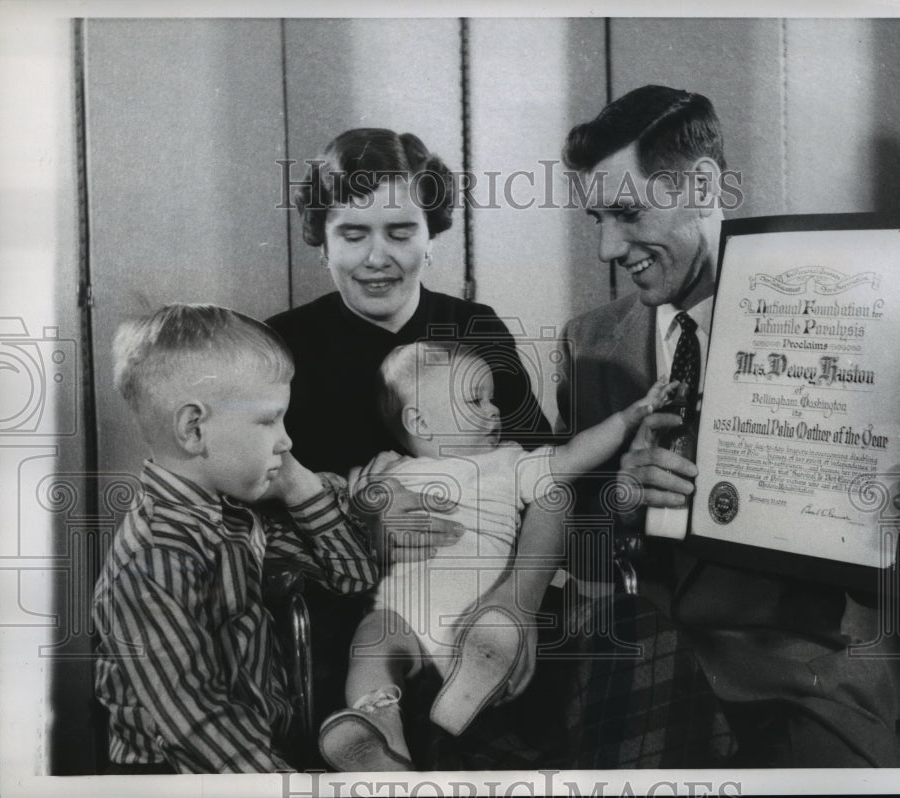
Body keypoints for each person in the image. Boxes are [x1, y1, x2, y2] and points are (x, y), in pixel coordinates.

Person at [537, 84, 900, 766]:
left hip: (802, 688)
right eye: (596, 219)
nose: (607, 247)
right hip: (635, 677)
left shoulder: (849, 321)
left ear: (702, 183)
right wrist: (620, 496)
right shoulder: (588, 345)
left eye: (626, 212)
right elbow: (564, 554)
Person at [267, 128, 562, 767]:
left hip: (491, 587)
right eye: (353, 234)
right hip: (351, 615)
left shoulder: (475, 328)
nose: (379, 257)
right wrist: (356, 525)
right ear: (321, 240)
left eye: (401, 232)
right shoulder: (281, 346)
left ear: (432, 234)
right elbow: (256, 513)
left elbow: (550, 476)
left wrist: (518, 605)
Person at [316, 340, 675, 771]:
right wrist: (370, 508)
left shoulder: (509, 462)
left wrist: (628, 417)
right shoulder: (387, 469)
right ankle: (380, 729)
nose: (494, 411)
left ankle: (477, 677)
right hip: (405, 615)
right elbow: (339, 506)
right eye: (474, 400)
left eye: (491, 398)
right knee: (371, 641)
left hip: (484, 607)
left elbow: (572, 457)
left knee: (489, 636)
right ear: (419, 421)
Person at [91, 304, 380, 773]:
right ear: (194, 428)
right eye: (269, 421)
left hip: (254, 758)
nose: (286, 442)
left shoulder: (235, 518)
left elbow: (353, 577)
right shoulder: (154, 556)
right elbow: (196, 722)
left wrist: (299, 486)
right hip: (182, 774)